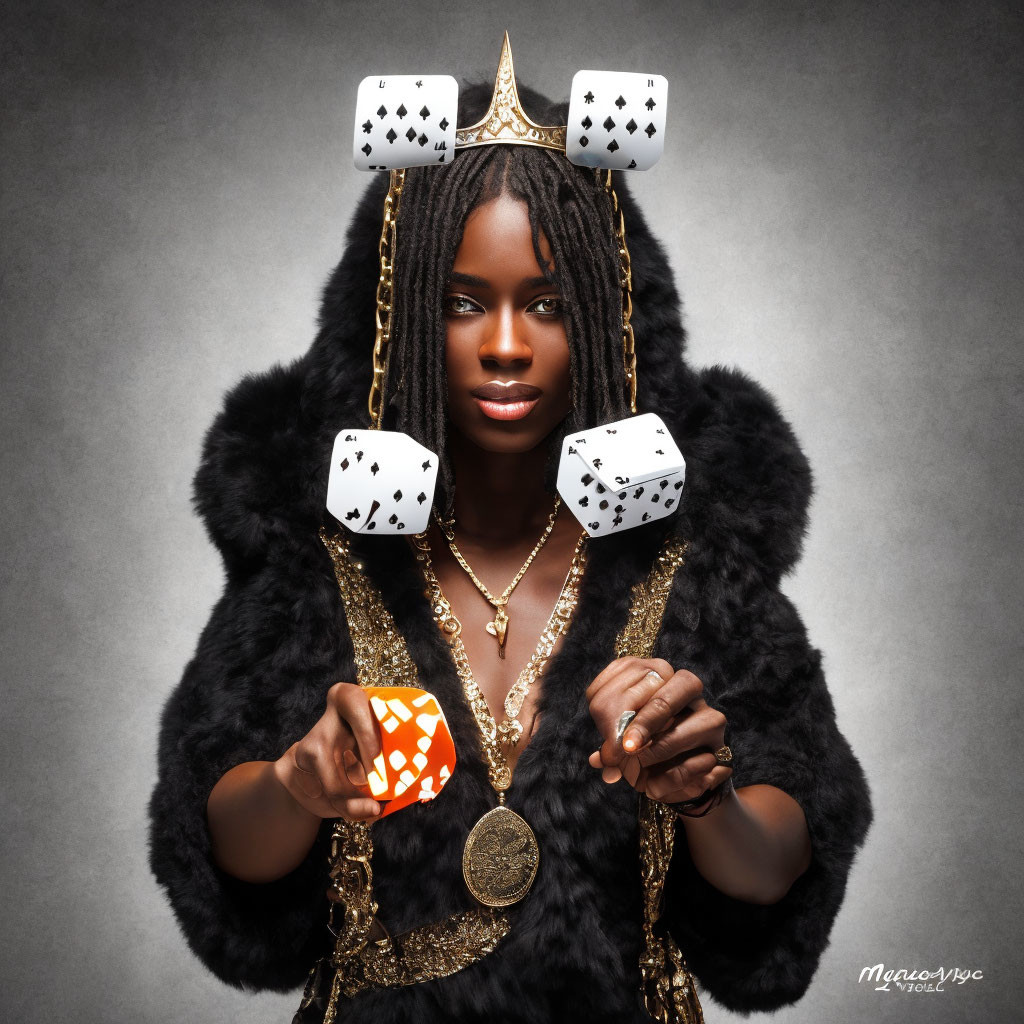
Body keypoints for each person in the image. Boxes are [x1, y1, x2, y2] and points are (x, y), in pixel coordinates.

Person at [148, 68, 873, 1024]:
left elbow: (780, 872)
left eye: (547, 302)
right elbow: (225, 856)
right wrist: (296, 785)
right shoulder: (314, 553)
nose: (503, 344)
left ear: (613, 321)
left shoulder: (699, 561)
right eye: (459, 302)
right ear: (396, 318)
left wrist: (705, 797)